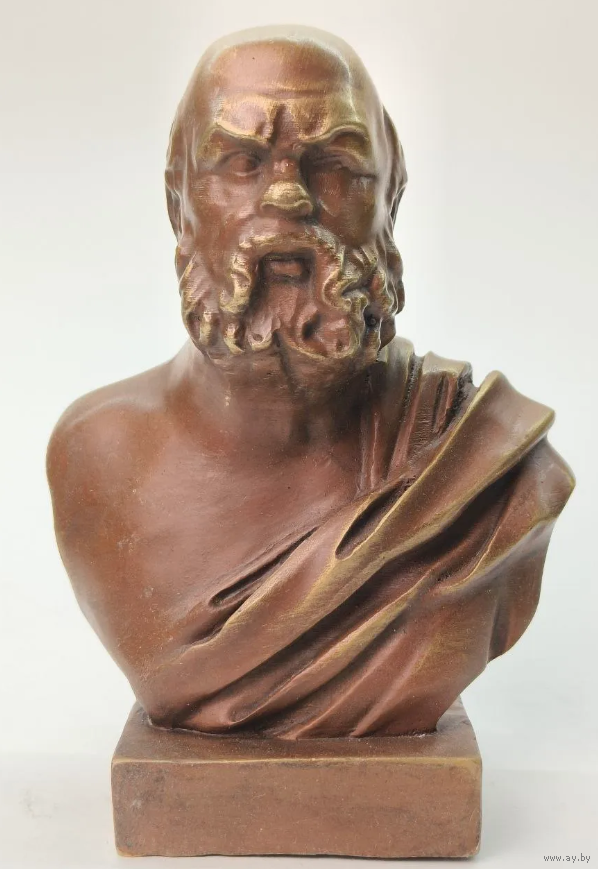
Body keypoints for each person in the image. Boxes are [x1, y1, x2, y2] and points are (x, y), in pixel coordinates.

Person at [47, 26, 574, 738]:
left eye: (335, 165)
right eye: (241, 162)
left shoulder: (488, 470)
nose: (289, 198)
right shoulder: (94, 459)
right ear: (178, 203)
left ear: (391, 202)